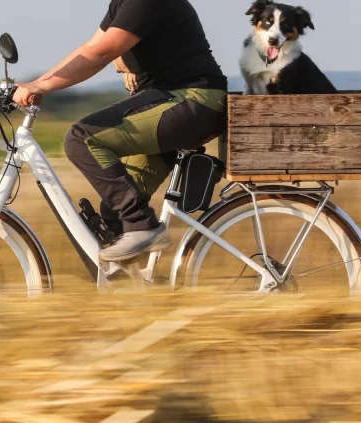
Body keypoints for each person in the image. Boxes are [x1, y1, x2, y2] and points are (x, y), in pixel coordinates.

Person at [13, 0, 227, 262]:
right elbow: (91, 48)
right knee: (115, 212)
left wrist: (42, 87)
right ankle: (132, 288)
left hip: (193, 100)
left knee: (82, 138)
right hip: (174, 102)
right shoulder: (123, 4)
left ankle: (142, 226)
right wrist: (37, 83)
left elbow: (101, 54)